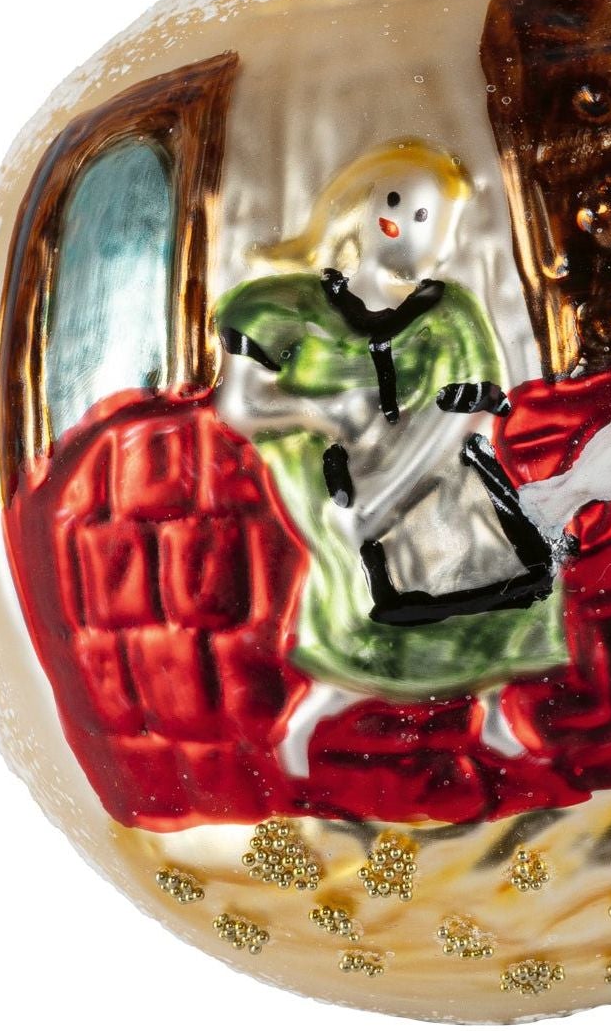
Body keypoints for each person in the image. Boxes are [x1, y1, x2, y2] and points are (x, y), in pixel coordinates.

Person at [213, 140, 566, 776]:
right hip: (332, 478)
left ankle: (491, 705)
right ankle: (316, 709)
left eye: (432, 219)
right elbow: (240, 406)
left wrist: (395, 489)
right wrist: (321, 412)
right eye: (405, 206)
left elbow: (468, 413)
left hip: (437, 468)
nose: (413, 227)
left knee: (486, 550)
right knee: (358, 578)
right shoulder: (288, 309)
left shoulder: (451, 314)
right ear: (372, 209)